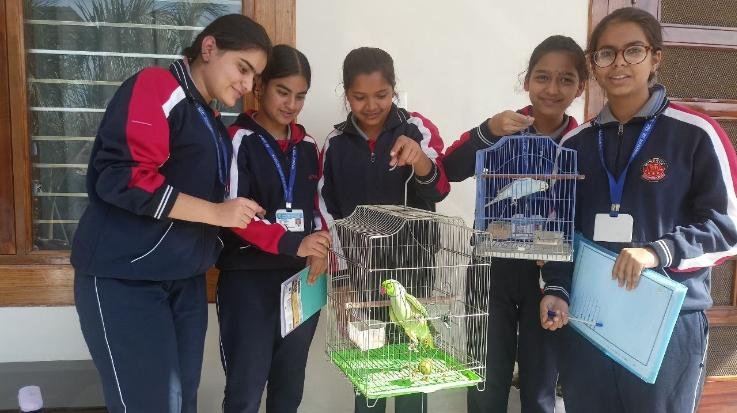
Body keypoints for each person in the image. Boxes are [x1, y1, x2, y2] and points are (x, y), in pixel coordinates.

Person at [539, 7, 737, 413]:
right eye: (606, 54)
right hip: (590, 320)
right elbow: (558, 229)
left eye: (633, 51)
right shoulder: (574, 145)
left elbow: (727, 226)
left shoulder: (695, 134)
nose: (619, 64)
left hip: (666, 319)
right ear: (593, 64)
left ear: (655, 58)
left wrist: (659, 250)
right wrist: (556, 288)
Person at [71, 14, 270, 413]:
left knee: (181, 403)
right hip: (127, 279)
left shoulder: (210, 120)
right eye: (243, 68)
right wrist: (217, 213)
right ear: (209, 49)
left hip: (184, 281)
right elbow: (123, 176)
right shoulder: (159, 85)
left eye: (255, 77)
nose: (248, 85)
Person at [442, 35, 587, 413]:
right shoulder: (504, 130)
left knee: (540, 388)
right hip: (492, 269)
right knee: (486, 383)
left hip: (550, 278)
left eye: (566, 79)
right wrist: (488, 129)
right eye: (542, 77)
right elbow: (449, 170)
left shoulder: (583, 142)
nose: (552, 89)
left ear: (581, 87)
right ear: (526, 81)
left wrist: (560, 277)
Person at [318, 46, 450, 413]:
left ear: (394, 90)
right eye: (359, 97)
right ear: (346, 95)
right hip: (362, 276)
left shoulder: (417, 129)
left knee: (412, 372)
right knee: (370, 378)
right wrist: (342, 278)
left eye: (381, 95)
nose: (372, 105)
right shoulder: (335, 144)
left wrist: (420, 159)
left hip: (415, 274)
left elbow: (440, 189)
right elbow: (330, 214)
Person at [216, 44, 331, 413]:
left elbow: (318, 209)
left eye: (300, 96)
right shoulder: (237, 139)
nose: (292, 105)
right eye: (283, 92)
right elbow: (235, 213)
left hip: (300, 283)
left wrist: (321, 249)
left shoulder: (309, 145)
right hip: (249, 281)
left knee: (288, 389)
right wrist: (293, 242)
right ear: (259, 86)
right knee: (245, 391)